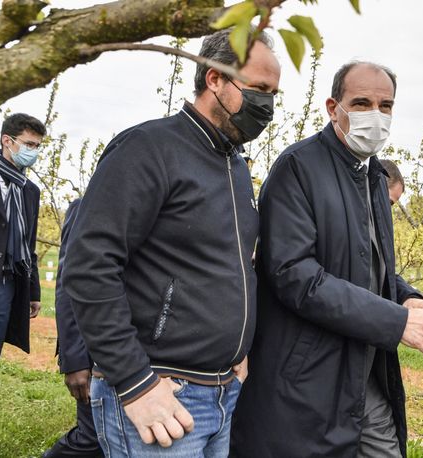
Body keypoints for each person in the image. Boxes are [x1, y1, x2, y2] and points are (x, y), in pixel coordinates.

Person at [62, 29, 280, 456]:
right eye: (257, 89)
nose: (267, 105)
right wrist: (135, 382)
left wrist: (236, 348)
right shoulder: (148, 148)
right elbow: (89, 266)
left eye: (274, 93)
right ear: (214, 78)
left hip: (220, 389)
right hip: (162, 390)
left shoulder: (234, 166)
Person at [230, 61, 423, 458]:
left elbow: (369, 264)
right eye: (362, 102)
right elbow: (294, 275)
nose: (376, 115)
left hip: (365, 364)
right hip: (310, 373)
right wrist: (395, 320)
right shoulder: (298, 168)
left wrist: (403, 296)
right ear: (332, 107)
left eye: (386, 105)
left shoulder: (373, 178)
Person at [0, 113, 44, 423]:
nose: (34, 151)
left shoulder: (30, 192)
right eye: (29, 144)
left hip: (6, 288)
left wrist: (33, 291)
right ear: (8, 141)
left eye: (38, 146)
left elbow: (29, 245)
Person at [43, 198, 103, 458]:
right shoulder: (88, 204)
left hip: (142, 350)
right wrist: (75, 360)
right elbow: (69, 286)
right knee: (91, 438)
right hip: (94, 352)